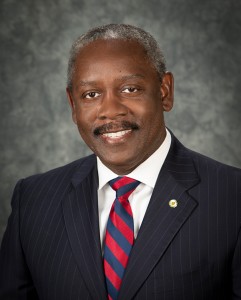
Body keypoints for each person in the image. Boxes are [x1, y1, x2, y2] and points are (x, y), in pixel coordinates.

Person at [0, 24, 240, 300]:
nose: (110, 110)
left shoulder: (232, 198)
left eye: (130, 89)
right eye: (91, 94)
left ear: (164, 92)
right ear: (72, 105)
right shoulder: (33, 200)